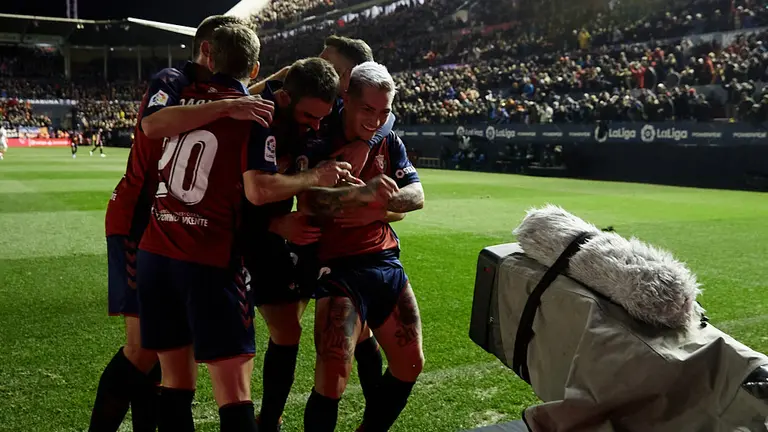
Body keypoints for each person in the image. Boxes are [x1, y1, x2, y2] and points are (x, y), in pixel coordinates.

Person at [136, 26, 352, 431]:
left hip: (156, 250)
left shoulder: (181, 97)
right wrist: (317, 177)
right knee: (234, 389)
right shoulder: (254, 112)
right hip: (209, 257)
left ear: (209, 56)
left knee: (176, 382)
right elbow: (258, 189)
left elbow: (151, 127)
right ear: (254, 67)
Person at [91, 14, 274, 432]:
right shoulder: (171, 80)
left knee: (163, 355)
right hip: (141, 220)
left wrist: (249, 92)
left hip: (163, 225)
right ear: (207, 51)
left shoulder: (191, 91)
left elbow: (215, 104)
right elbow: (156, 124)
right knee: (143, 352)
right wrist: (234, 101)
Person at [246, 36, 392, 432]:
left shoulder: (354, 113)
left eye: (330, 62)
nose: (312, 62)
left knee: (358, 331)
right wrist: (276, 224)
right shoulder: (280, 103)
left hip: (324, 239)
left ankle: (374, 420)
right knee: (288, 329)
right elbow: (244, 190)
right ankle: (270, 418)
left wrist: (366, 141)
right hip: (272, 227)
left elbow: (385, 120)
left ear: (349, 79)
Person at [300, 61, 426, 432]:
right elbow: (308, 203)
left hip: (385, 261)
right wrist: (361, 194)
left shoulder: (388, 139)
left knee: (411, 364)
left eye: (383, 112)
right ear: (347, 100)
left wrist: (377, 209)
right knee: (333, 374)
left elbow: (417, 195)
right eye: (367, 109)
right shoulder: (320, 138)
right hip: (338, 268)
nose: (375, 120)